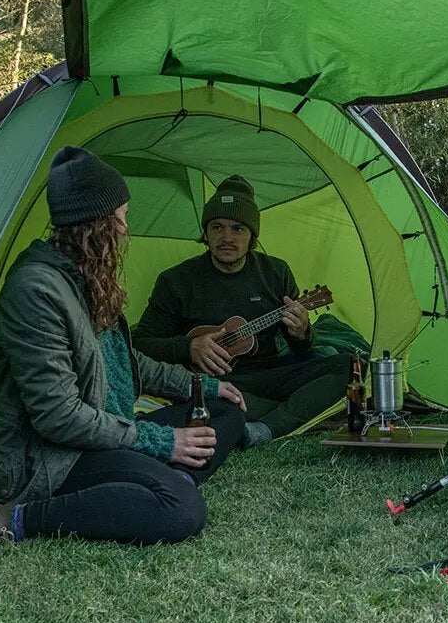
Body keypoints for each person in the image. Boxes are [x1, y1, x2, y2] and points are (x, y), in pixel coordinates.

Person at [0, 147, 246, 545]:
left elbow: (128, 363)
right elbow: (59, 416)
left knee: (224, 411)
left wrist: (203, 387)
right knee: (181, 508)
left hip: (109, 427)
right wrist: (161, 442)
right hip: (47, 455)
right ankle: (18, 517)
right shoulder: (36, 291)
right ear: (95, 225)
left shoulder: (84, 276)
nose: (126, 230)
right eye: (121, 218)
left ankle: (149, 481)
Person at [132, 175, 351, 447]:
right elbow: (139, 346)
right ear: (206, 232)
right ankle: (286, 412)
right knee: (215, 406)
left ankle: (263, 427)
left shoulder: (275, 272)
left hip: (270, 375)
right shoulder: (175, 281)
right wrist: (188, 348)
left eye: (238, 229)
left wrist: (302, 332)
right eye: (217, 227)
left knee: (348, 366)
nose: (226, 237)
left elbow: (302, 351)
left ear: (252, 236)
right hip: (213, 384)